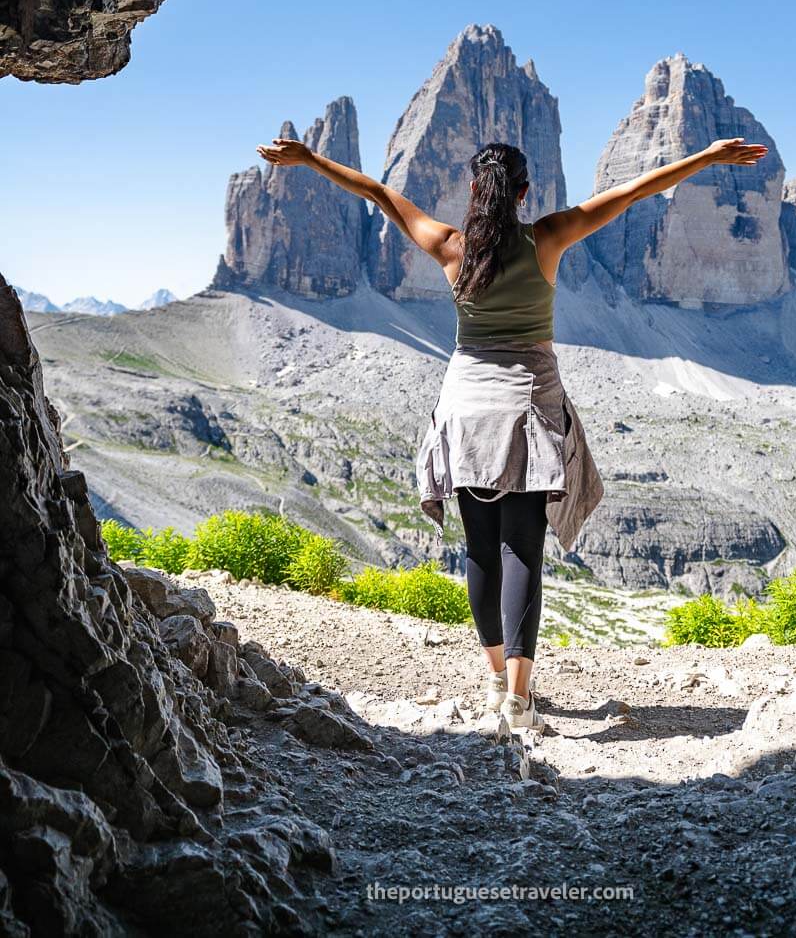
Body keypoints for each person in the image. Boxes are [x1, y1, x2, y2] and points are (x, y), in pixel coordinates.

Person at [256, 131, 768, 732]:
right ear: (525, 192)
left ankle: (496, 680)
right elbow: (632, 192)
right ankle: (522, 701)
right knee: (520, 546)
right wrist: (708, 157)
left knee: (480, 548)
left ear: (475, 189)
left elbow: (378, 193)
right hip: (528, 404)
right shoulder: (547, 238)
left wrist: (309, 158)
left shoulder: (451, 247)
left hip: (466, 407)